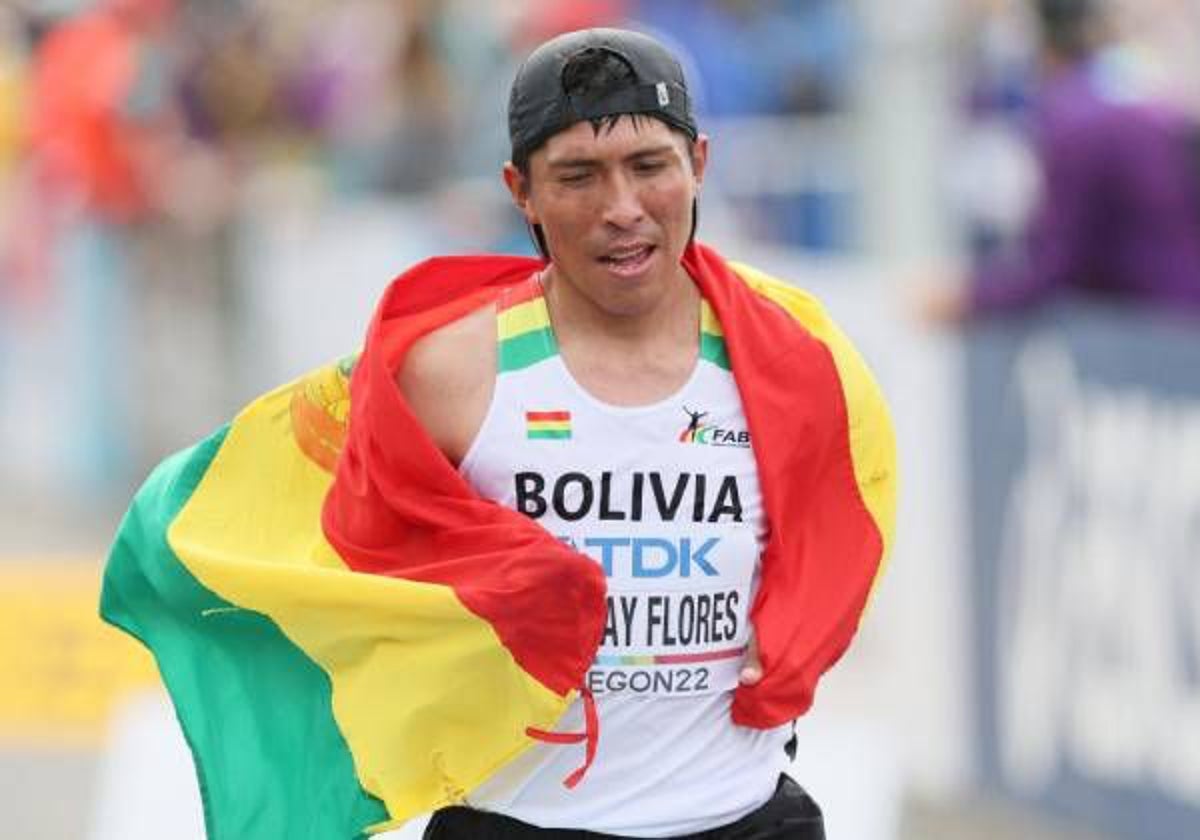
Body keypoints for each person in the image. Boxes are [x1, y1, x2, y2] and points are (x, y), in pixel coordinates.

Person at [100, 27, 895, 840]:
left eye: (649, 166)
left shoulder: (795, 363)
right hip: (518, 823)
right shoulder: (448, 369)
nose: (622, 209)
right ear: (522, 192)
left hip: (742, 820)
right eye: (578, 177)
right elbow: (312, 522)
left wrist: (794, 636)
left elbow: (844, 519)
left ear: (699, 165)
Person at [925, 0, 1200, 323]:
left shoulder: (1075, 123)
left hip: (1164, 328)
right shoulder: (1129, 92)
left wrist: (965, 299)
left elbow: (1051, 267)